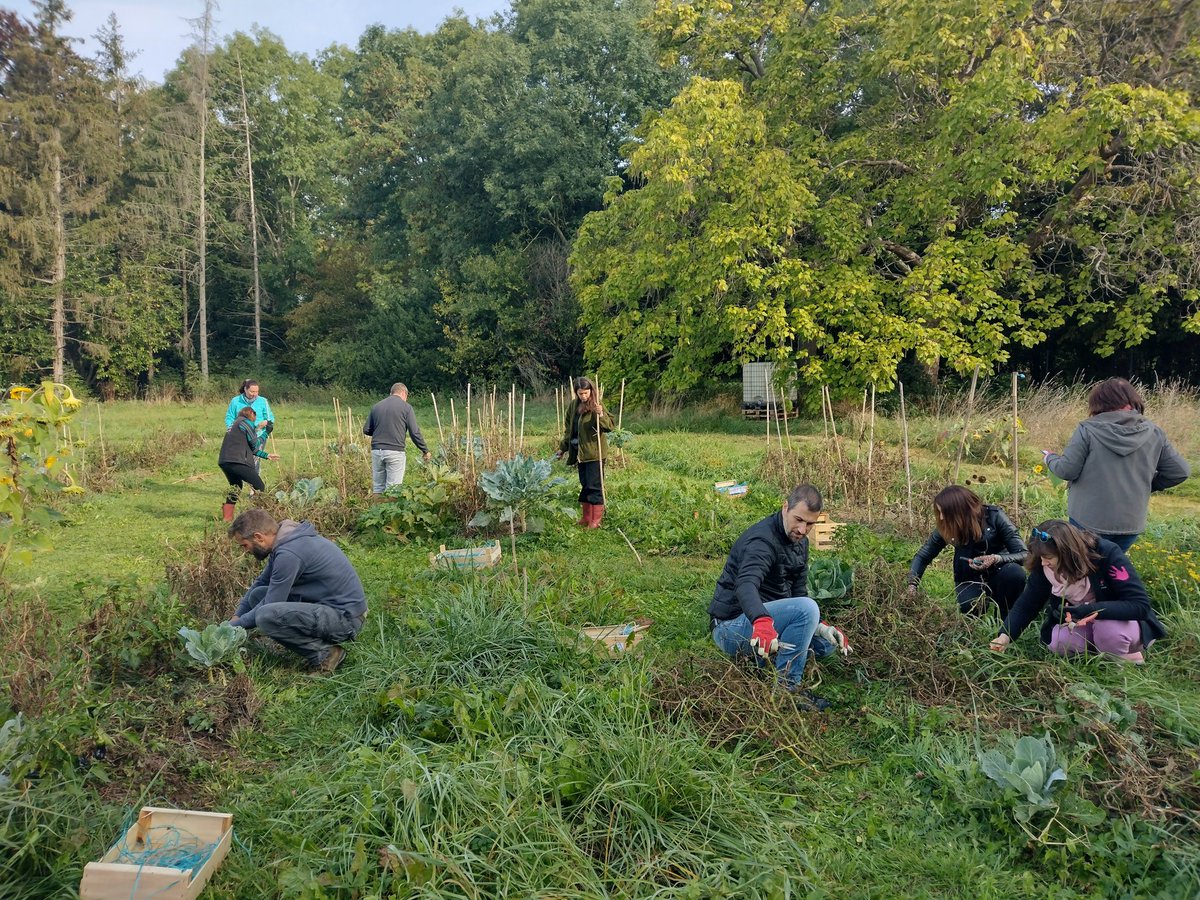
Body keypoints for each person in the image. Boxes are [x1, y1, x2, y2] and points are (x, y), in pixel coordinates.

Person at [707, 484, 852, 711]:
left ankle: (770, 657)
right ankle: (786, 692)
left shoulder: (799, 542)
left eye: (810, 524)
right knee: (807, 610)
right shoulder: (762, 542)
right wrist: (762, 622)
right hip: (731, 627)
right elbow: (745, 586)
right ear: (785, 507)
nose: (803, 530)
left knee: (824, 645)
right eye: (798, 519)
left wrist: (821, 626)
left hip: (764, 618)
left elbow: (798, 592)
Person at [1042, 377, 1189, 552]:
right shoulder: (1154, 432)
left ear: (1098, 403)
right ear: (1131, 400)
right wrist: (1146, 485)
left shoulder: (1087, 429)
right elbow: (1180, 471)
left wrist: (1049, 458)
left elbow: (1067, 470)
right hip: (1130, 523)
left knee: (1084, 570)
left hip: (1088, 521)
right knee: (1113, 569)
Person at [988, 519, 1165, 663]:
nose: (1043, 563)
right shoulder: (1044, 567)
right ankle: (1100, 658)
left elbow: (1140, 606)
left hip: (1119, 622)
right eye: (1040, 557)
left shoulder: (1106, 554)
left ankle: (1123, 664)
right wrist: (1005, 635)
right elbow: (1027, 604)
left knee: (1108, 631)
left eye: (1048, 558)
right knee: (1059, 642)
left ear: (1067, 554)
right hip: (1082, 623)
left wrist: (1090, 610)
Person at [228, 509, 367, 674]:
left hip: (346, 619)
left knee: (266, 616)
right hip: (329, 608)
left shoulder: (289, 553)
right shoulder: (285, 540)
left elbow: (270, 604)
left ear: (258, 537)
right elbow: (261, 582)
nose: (245, 551)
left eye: (244, 545)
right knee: (257, 595)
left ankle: (327, 654)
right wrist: (237, 616)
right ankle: (309, 643)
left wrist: (235, 626)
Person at [907, 485, 1028, 618]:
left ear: (960, 511)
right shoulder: (948, 525)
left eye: (945, 513)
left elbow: (1024, 554)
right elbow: (923, 555)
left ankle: (1006, 621)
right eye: (939, 512)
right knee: (970, 607)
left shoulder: (994, 516)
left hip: (1001, 570)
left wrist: (996, 558)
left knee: (1015, 574)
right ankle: (977, 613)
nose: (941, 517)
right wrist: (912, 584)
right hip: (969, 575)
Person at [555, 376, 613, 528]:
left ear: (591, 391)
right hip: (580, 454)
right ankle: (586, 517)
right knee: (585, 484)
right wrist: (563, 448)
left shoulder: (597, 405)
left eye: (586, 393)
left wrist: (601, 414)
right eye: (581, 393)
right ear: (576, 393)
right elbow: (569, 431)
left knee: (595, 485)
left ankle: (595, 520)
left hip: (595, 453)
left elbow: (609, 427)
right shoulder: (574, 406)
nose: (584, 396)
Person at [362, 382, 431, 495]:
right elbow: (414, 432)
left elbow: (366, 430)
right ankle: (390, 511)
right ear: (404, 393)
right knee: (393, 489)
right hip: (395, 452)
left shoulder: (377, 406)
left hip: (376, 451)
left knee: (378, 488)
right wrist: (425, 450)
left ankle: (377, 512)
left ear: (391, 393)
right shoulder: (406, 408)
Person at [218, 407, 279, 521]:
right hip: (238, 461)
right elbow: (255, 445)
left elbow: (252, 449)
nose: (254, 420)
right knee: (260, 487)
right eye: (254, 417)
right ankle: (260, 517)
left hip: (225, 461)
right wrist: (266, 432)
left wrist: (267, 455)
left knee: (236, 487)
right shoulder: (246, 423)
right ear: (251, 414)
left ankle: (227, 518)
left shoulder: (235, 424)